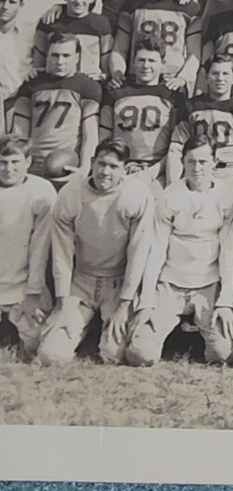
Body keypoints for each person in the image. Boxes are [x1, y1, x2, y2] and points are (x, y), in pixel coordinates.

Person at [36, 138, 156, 366]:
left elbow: (138, 252)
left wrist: (124, 304)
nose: (105, 172)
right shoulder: (71, 193)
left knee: (113, 355)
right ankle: (81, 323)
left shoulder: (137, 194)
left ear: (125, 169)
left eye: (113, 166)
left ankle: (104, 327)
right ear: (91, 162)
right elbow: (62, 252)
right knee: (51, 355)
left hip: (117, 282)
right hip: (82, 281)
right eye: (101, 164)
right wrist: (62, 304)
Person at [126, 136, 233, 367]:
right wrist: (146, 299)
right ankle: (169, 331)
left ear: (215, 162)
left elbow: (228, 252)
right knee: (139, 353)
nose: (197, 168)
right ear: (183, 163)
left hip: (208, 282)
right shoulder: (170, 195)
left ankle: (198, 334)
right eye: (191, 162)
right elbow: (156, 249)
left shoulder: (227, 196)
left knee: (223, 353)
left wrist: (225, 300)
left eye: (203, 162)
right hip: (172, 282)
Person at [100, 38, 189, 187]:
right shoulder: (116, 93)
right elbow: (104, 139)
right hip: (120, 168)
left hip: (157, 171)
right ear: (133, 62)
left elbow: (176, 148)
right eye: (141, 60)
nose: (146, 66)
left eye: (152, 61)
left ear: (162, 64)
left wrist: (152, 172)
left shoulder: (174, 97)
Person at [11, 33, 101, 178]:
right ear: (47, 56)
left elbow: (90, 135)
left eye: (66, 55)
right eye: (55, 55)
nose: (60, 61)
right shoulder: (31, 85)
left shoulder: (88, 87)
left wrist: (85, 168)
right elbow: (19, 132)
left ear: (77, 57)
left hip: (66, 163)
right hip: (33, 164)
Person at [109, 0, 202, 94]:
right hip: (139, 77)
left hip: (172, 79)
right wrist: (118, 72)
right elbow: (120, 48)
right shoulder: (133, 4)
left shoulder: (189, 8)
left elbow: (194, 53)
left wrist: (182, 78)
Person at [169, 54, 233, 193]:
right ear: (206, 77)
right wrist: (173, 184)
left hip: (228, 173)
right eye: (215, 73)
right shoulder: (191, 106)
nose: (220, 79)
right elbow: (176, 148)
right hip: (196, 173)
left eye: (225, 74)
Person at [0, 135, 56, 358]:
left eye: (15, 162)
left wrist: (33, 292)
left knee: (37, 347)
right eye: (2, 162)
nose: (8, 169)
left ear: (28, 162)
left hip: (23, 285)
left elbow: (40, 248)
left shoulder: (41, 191)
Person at [33, 0, 114, 81]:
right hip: (55, 85)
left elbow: (106, 66)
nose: (78, 1)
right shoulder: (49, 22)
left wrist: (103, 77)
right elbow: (38, 63)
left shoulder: (102, 24)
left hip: (89, 85)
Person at [0, 0, 33, 123]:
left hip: (21, 103)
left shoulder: (31, 34)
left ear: (21, 5)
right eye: (1, 0)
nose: (5, 7)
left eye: (11, 2)